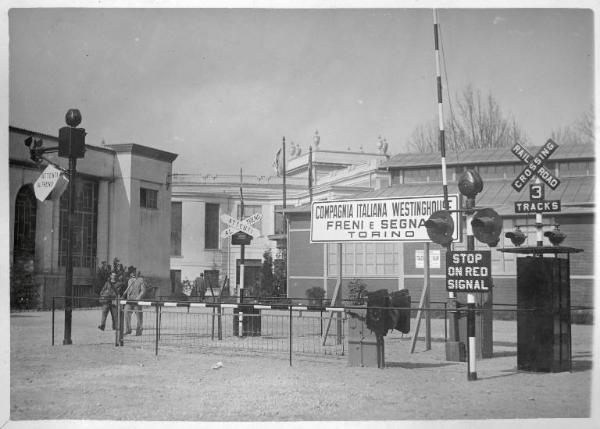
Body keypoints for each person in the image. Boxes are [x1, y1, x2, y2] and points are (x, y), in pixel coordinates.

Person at [123, 271, 148, 336]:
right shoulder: (129, 280)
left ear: (137, 274)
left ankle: (139, 331)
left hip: (137, 301)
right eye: (132, 274)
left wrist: (138, 298)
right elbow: (128, 290)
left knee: (139, 316)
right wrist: (127, 297)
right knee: (126, 313)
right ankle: (128, 329)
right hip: (129, 300)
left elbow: (143, 290)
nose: (133, 274)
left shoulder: (141, 280)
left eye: (134, 273)